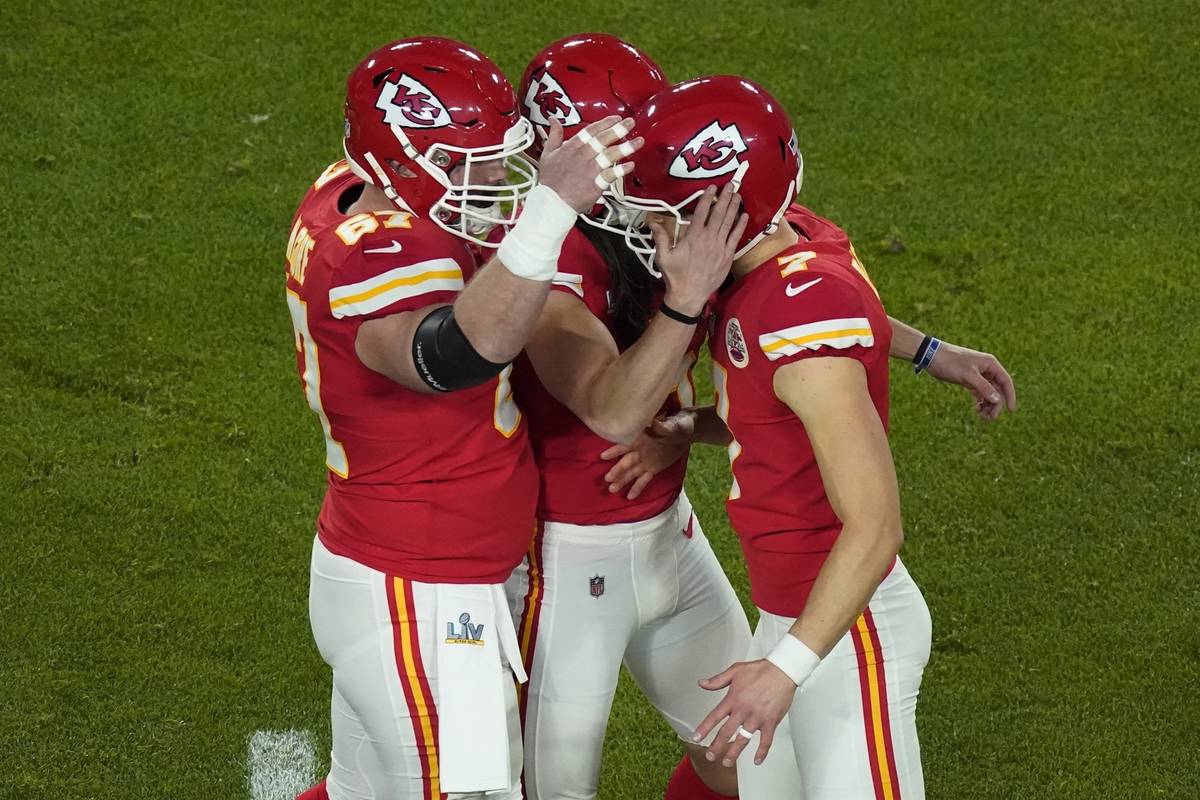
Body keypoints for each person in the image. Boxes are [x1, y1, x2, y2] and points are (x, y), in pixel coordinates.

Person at [606, 75, 1016, 800]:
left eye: (666, 214)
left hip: (846, 636)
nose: (651, 231)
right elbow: (774, 397)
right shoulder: (789, 239)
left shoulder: (800, 322)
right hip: (793, 618)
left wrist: (785, 669)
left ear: (726, 211)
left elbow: (876, 525)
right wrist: (929, 351)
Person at [284, 36, 641, 800]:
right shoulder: (378, 254)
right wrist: (548, 214)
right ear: (404, 159)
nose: (491, 179)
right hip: (419, 589)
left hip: (413, 569)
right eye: (463, 162)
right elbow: (451, 356)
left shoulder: (353, 190)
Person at [504, 34, 752, 800]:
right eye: (628, 146)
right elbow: (612, 409)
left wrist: (923, 350)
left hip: (669, 534)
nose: (654, 161)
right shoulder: (539, 257)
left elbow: (787, 281)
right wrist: (686, 300)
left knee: (751, 757)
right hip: (566, 558)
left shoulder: (652, 213)